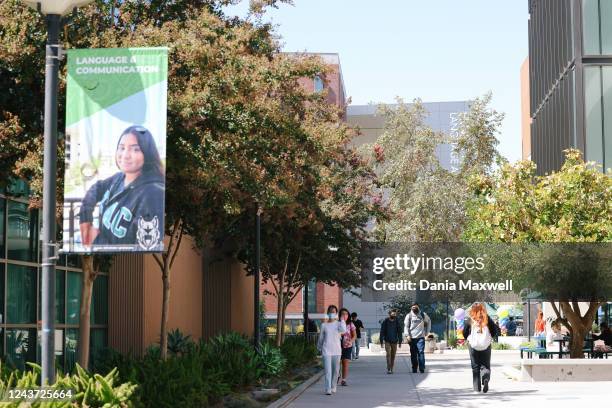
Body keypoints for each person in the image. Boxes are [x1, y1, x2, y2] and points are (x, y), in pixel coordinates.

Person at [79, 125, 165, 250]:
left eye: (135, 149)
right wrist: (85, 220)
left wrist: (95, 240)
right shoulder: (120, 177)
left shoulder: (153, 194)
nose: (125, 155)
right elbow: (96, 188)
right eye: (122, 148)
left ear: (147, 153)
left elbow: (144, 247)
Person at [464, 303, 500, 393]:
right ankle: (485, 378)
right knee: (486, 365)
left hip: (473, 346)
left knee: (475, 367)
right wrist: (490, 338)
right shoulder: (487, 318)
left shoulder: (470, 320)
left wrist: (467, 339)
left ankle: (477, 388)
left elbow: (465, 332)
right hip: (486, 345)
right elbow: (495, 330)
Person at [317, 305, 346, 395]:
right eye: (330, 311)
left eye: (333, 312)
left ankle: (333, 386)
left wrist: (342, 320)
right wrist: (319, 347)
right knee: (327, 371)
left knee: (336, 371)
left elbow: (343, 330)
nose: (331, 313)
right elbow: (321, 338)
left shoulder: (338, 324)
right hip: (326, 350)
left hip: (336, 351)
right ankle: (328, 388)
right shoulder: (323, 325)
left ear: (336, 313)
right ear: (327, 313)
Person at [404, 302, 431, 373]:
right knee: (413, 354)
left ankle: (422, 368)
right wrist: (407, 335)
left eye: (415, 307)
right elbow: (406, 327)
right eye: (412, 307)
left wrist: (427, 333)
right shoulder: (409, 316)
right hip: (411, 338)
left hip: (421, 337)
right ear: (411, 308)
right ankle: (414, 368)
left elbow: (429, 322)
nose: (414, 308)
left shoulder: (423, 315)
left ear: (418, 307)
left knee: (421, 352)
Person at [380, 309, 403, 374]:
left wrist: (400, 342)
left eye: (395, 314)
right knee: (388, 354)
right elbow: (382, 331)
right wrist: (381, 341)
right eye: (392, 314)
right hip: (387, 340)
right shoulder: (385, 321)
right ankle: (389, 368)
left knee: (393, 355)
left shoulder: (397, 321)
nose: (394, 315)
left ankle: (391, 368)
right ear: (389, 314)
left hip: (394, 341)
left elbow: (399, 332)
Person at [338, 308, 356, 386]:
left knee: (345, 362)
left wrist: (351, 341)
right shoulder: (337, 324)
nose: (344, 315)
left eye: (346, 314)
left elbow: (354, 335)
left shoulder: (350, 324)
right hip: (337, 345)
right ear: (340, 315)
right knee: (337, 363)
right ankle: (337, 375)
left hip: (347, 346)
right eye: (342, 314)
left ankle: (344, 380)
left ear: (348, 315)